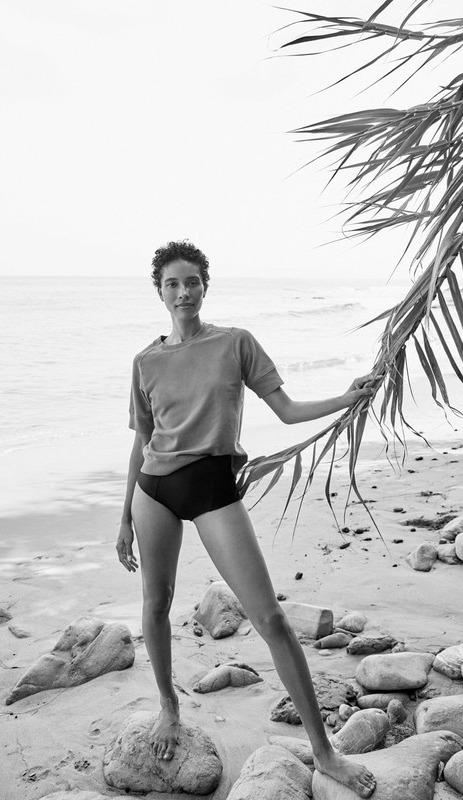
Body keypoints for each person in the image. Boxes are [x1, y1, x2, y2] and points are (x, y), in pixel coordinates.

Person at [116, 240, 376, 798]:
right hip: (153, 492)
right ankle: (168, 705)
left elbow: (286, 410)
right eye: (172, 284)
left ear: (205, 286)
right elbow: (142, 443)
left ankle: (325, 752)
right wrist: (124, 519)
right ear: (159, 291)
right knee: (156, 604)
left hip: (212, 487)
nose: (183, 292)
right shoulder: (145, 362)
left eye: (192, 281)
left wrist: (345, 399)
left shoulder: (235, 343)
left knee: (270, 617)